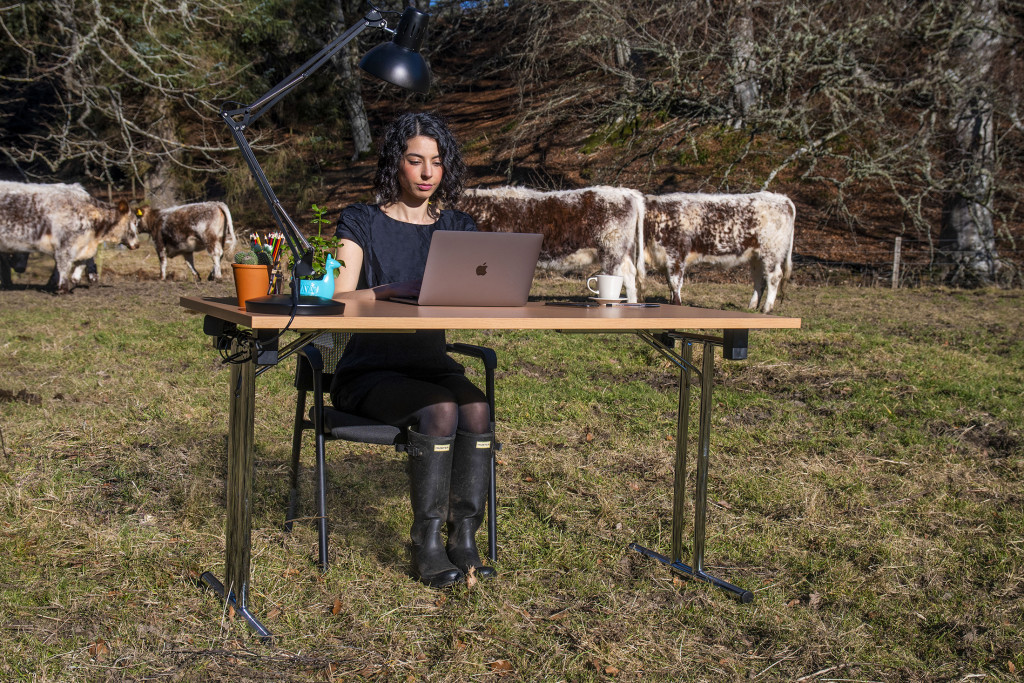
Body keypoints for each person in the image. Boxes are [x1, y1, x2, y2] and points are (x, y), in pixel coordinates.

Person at [329, 112, 496, 588]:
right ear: (395, 164)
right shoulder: (361, 220)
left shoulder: (459, 227)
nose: (427, 173)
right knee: (443, 410)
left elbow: (476, 298)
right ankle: (426, 541)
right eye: (415, 161)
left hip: (430, 364)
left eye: (437, 163)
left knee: (478, 408)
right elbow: (340, 296)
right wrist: (392, 291)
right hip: (370, 371)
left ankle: (464, 536)